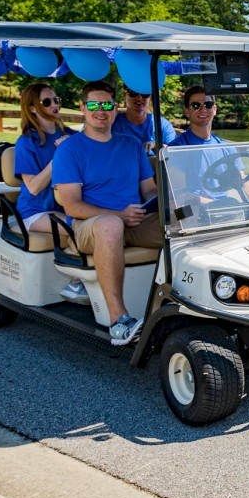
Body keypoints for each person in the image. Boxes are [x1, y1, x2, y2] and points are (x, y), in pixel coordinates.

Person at [53, 80, 162, 345]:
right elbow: (71, 205)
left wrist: (165, 204)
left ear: (115, 108)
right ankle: (118, 321)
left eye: (107, 105)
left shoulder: (131, 144)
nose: (101, 110)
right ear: (82, 108)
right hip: (88, 227)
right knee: (111, 224)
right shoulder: (70, 149)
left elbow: (149, 190)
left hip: (133, 221)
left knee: (186, 218)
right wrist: (119, 215)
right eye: (94, 104)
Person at [12, 83, 87, 304]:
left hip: (63, 205)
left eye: (56, 100)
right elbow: (33, 187)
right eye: (47, 102)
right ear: (33, 108)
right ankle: (76, 281)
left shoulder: (68, 134)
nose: (54, 105)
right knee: (79, 227)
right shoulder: (26, 143)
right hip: (35, 211)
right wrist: (60, 156)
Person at [170, 85, 249, 203]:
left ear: (215, 109)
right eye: (196, 106)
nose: (203, 110)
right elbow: (181, 195)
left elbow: (242, 182)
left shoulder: (226, 147)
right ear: (187, 111)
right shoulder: (177, 149)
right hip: (195, 210)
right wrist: (218, 205)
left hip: (223, 209)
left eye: (208, 105)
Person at [112, 89, 177, 154]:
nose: (139, 98)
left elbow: (175, 152)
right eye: (133, 92)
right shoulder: (112, 124)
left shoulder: (162, 124)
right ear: (124, 95)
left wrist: (155, 145)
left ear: (150, 97)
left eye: (145, 93)